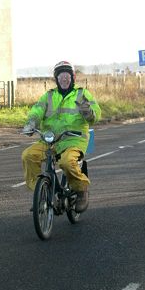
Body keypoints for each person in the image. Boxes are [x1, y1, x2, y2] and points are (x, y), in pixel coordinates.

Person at [22, 61, 101, 213]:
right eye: (61, 76)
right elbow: (37, 110)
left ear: (72, 77)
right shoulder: (49, 95)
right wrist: (31, 123)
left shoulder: (82, 94)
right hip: (49, 139)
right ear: (56, 79)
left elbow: (95, 115)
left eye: (67, 76)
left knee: (66, 162)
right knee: (28, 155)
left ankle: (81, 190)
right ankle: (40, 194)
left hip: (73, 139)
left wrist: (89, 112)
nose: (64, 79)